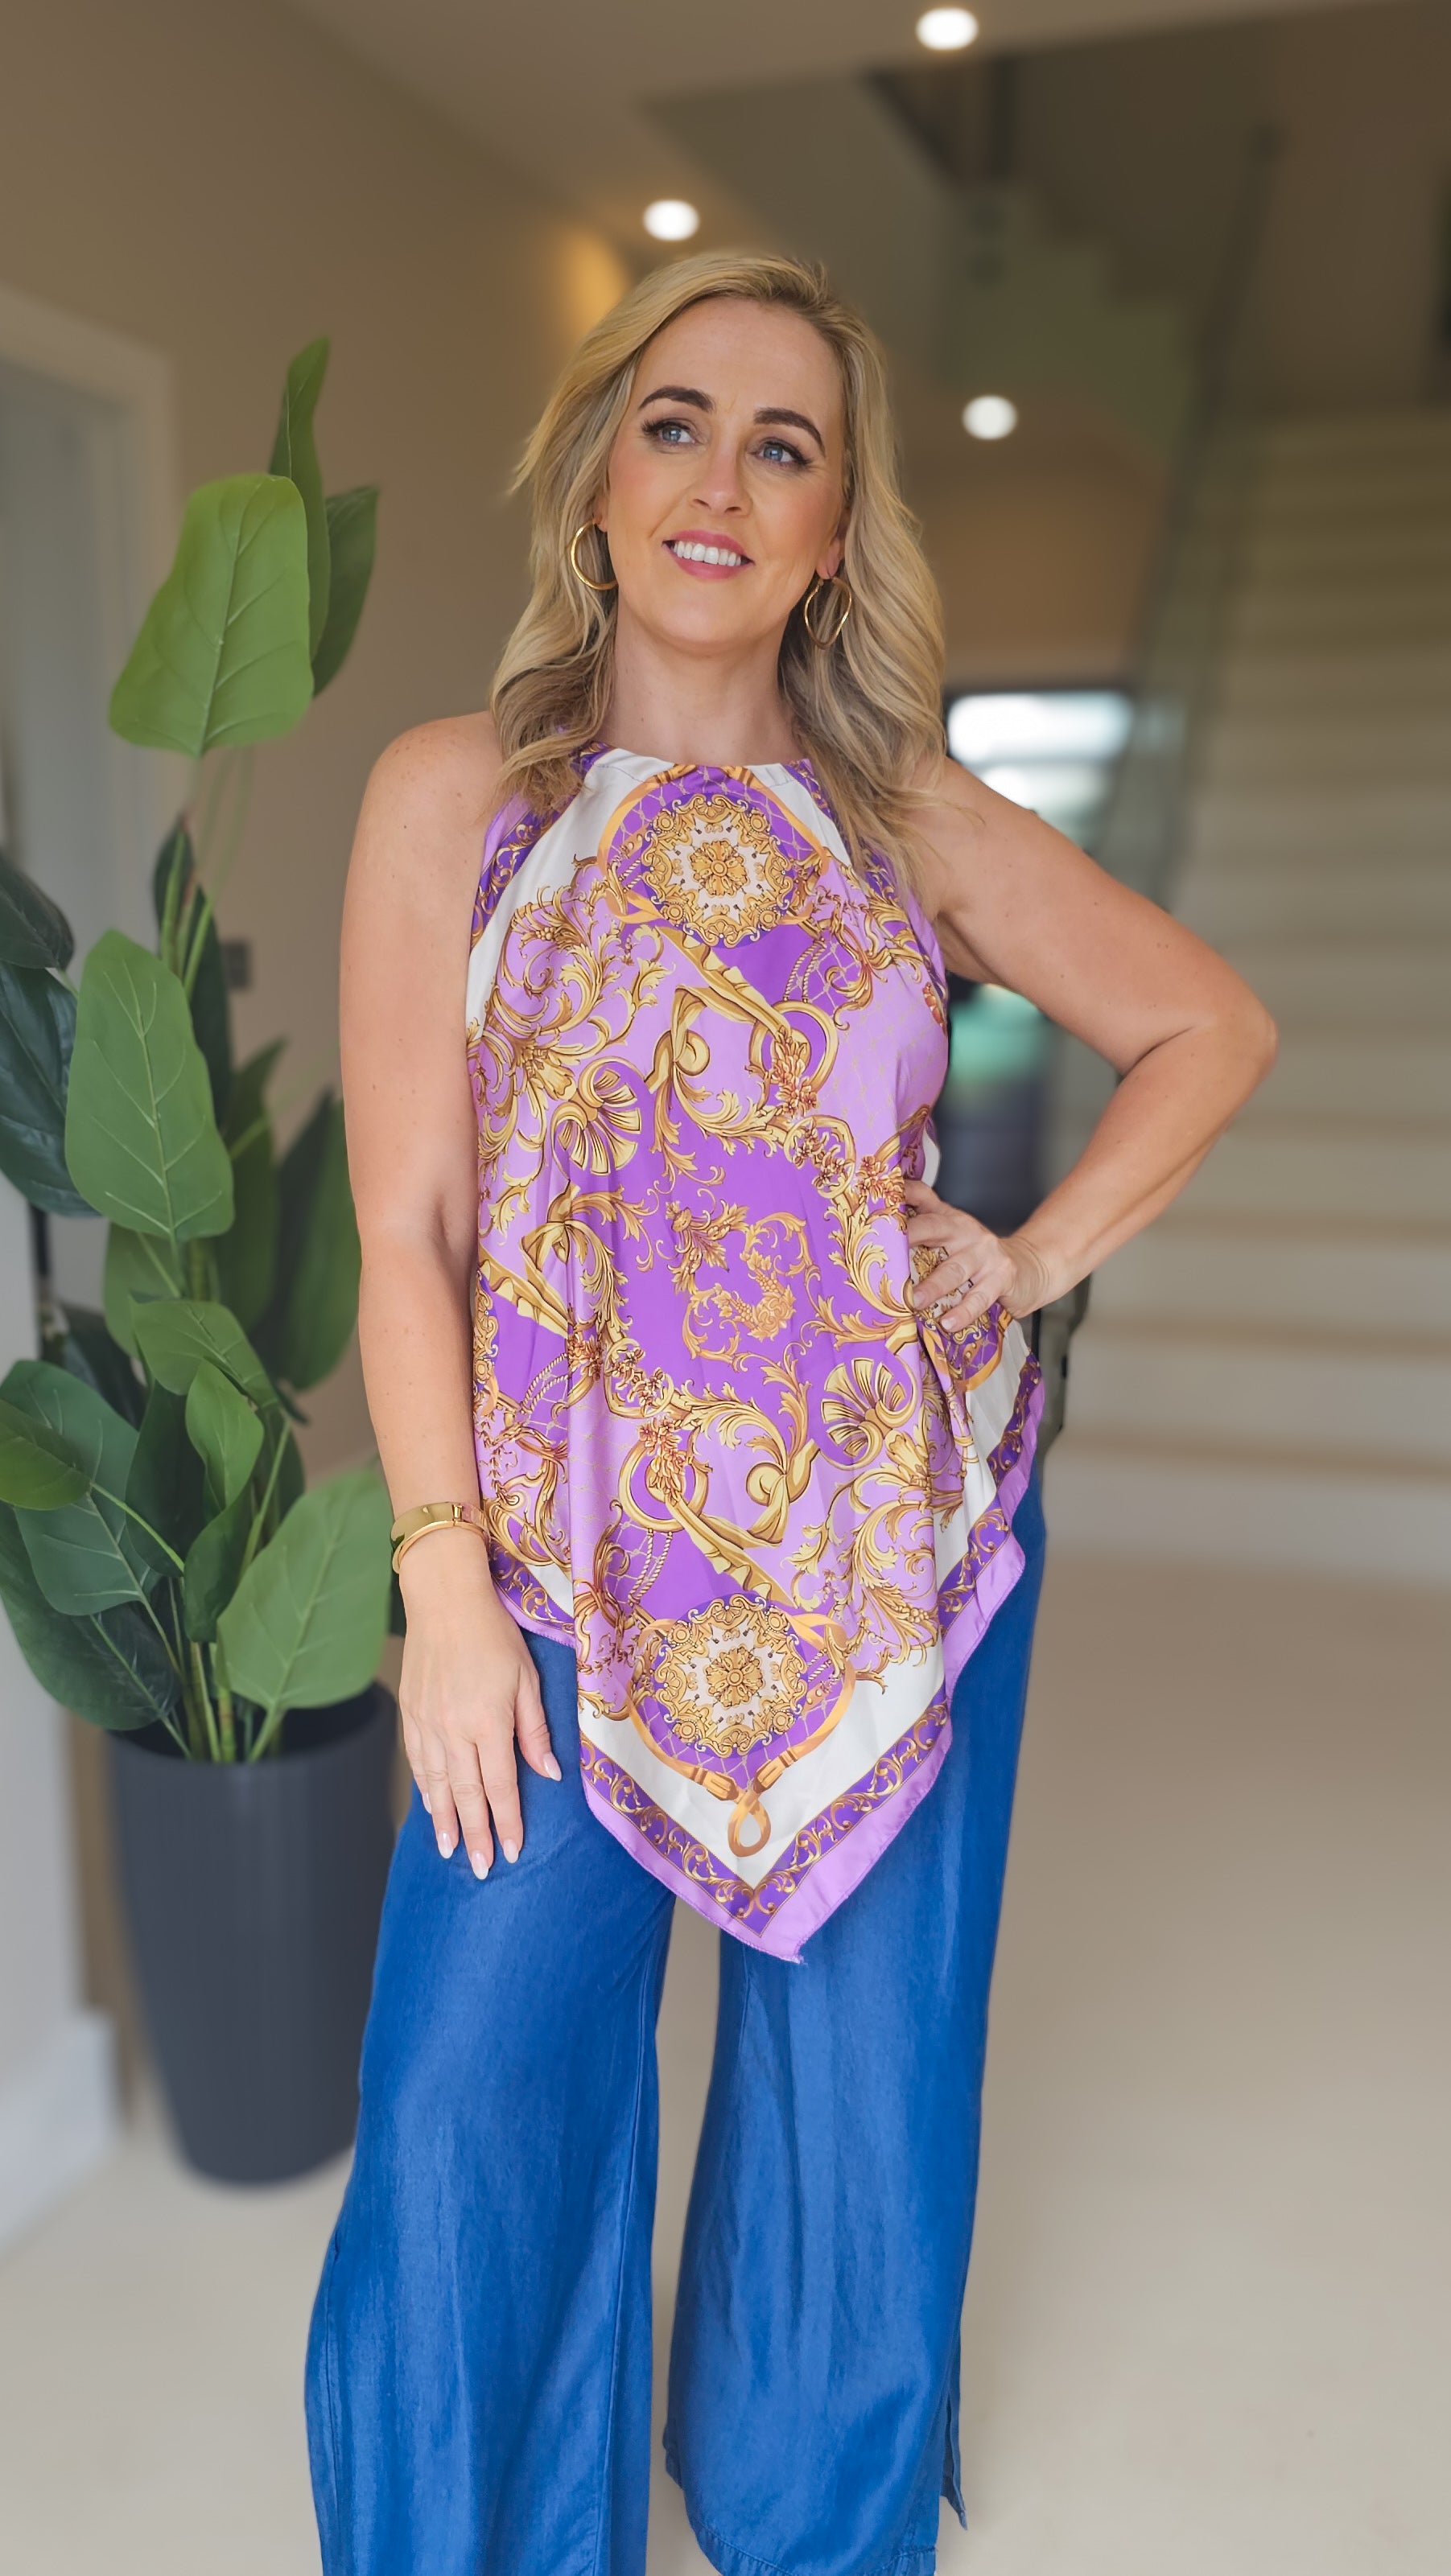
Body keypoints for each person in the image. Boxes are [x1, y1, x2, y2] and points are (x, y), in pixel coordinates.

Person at [305, 250, 1276, 2576]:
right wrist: (442, 1582)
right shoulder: (459, 795)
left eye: (783, 445)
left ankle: (807, 2524)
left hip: (883, 1568)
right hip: (552, 1561)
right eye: (676, 423)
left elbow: (1205, 1026)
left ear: (835, 530)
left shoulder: (900, 811)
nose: (719, 481)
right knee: (458, 2110)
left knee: (864, 2115)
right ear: (596, 476)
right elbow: (407, 1229)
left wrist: (1025, 1260)